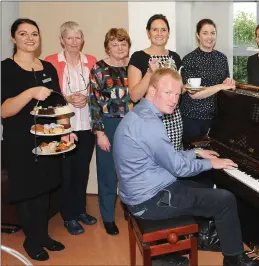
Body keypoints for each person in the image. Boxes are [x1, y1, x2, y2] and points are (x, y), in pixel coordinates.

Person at [113, 67, 259, 266]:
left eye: (177, 94)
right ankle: (234, 259)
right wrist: (211, 163)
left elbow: (164, 157)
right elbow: (178, 168)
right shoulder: (149, 124)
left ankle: (202, 237)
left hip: (143, 189)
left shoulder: (141, 113)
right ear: (151, 91)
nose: (174, 100)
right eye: (168, 93)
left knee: (205, 188)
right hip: (149, 200)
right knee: (225, 199)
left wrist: (195, 152)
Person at [1, 18, 68, 261]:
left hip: (47, 140)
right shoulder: (5, 69)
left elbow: (58, 104)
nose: (30, 38)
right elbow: (4, 110)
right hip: (20, 142)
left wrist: (65, 129)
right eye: (23, 33)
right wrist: (30, 92)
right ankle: (32, 240)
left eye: (34, 34)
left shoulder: (48, 68)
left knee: (45, 189)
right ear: (13, 38)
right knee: (27, 192)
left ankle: (42, 235)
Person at [45, 21, 97, 236]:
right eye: (69, 38)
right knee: (66, 173)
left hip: (86, 125)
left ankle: (80, 210)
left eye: (78, 38)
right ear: (61, 40)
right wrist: (66, 98)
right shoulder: (50, 62)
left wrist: (88, 96)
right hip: (63, 128)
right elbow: (47, 94)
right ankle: (69, 216)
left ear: (82, 40)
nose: (74, 42)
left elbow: (100, 90)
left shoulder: (92, 61)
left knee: (81, 171)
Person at [88, 28, 132, 235]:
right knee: (108, 174)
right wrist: (100, 133)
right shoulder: (98, 69)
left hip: (131, 126)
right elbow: (93, 103)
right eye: (115, 44)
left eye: (123, 43)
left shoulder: (134, 68)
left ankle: (130, 209)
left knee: (130, 172)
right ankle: (107, 217)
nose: (120, 47)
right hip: (108, 125)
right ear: (107, 47)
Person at [128, 14, 184, 151]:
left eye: (163, 30)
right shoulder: (138, 57)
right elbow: (134, 96)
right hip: (148, 121)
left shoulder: (175, 57)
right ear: (148, 33)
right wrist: (150, 73)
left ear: (168, 33)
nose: (159, 33)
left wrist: (186, 88)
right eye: (155, 29)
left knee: (173, 164)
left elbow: (179, 90)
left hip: (173, 121)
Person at [180, 19, 235, 147]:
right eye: (205, 33)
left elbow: (225, 85)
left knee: (214, 157)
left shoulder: (222, 58)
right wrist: (221, 85)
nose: (209, 37)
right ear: (198, 35)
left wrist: (228, 82)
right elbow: (194, 94)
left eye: (213, 33)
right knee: (193, 158)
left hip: (215, 118)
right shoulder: (189, 59)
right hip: (193, 118)